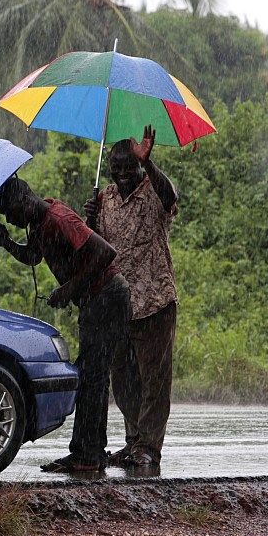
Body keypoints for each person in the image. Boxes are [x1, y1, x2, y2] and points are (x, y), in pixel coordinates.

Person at [0, 176, 130, 473]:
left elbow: (105, 252)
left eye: (12, 214)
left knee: (93, 377)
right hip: (95, 299)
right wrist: (7, 242)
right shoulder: (40, 224)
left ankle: (88, 455)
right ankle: (86, 452)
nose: (12, 221)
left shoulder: (58, 217)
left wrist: (70, 288)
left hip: (108, 295)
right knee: (91, 376)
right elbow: (33, 256)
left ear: (25, 201)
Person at [84, 125, 178, 470]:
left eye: (130, 166)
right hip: (120, 303)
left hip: (155, 300)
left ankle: (150, 447)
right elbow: (95, 247)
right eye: (117, 166)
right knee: (122, 379)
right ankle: (134, 441)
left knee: (154, 380)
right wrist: (88, 220)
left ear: (140, 167)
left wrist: (150, 164)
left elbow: (171, 196)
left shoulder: (153, 190)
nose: (122, 172)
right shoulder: (104, 198)